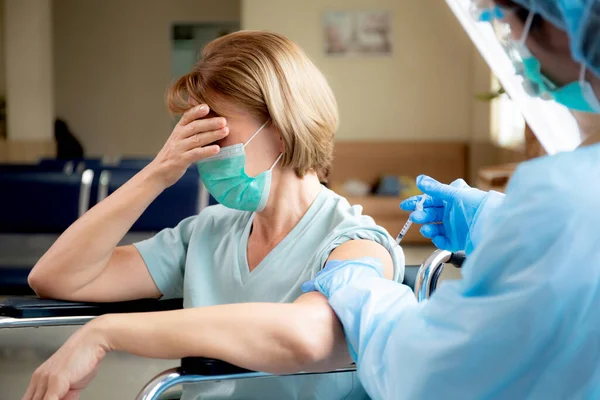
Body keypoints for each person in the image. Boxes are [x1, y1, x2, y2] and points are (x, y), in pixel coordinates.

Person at [23, 31, 404, 400]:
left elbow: (307, 336)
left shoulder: (357, 244)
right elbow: (56, 277)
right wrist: (157, 173)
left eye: (216, 134)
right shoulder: (206, 232)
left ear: (285, 129)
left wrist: (105, 332)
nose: (204, 152)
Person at [303, 1, 600, 399]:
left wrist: (357, 289)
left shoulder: (563, 199)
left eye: (511, 21)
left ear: (568, 30)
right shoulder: (570, 198)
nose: (513, 40)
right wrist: (495, 220)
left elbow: (426, 376)